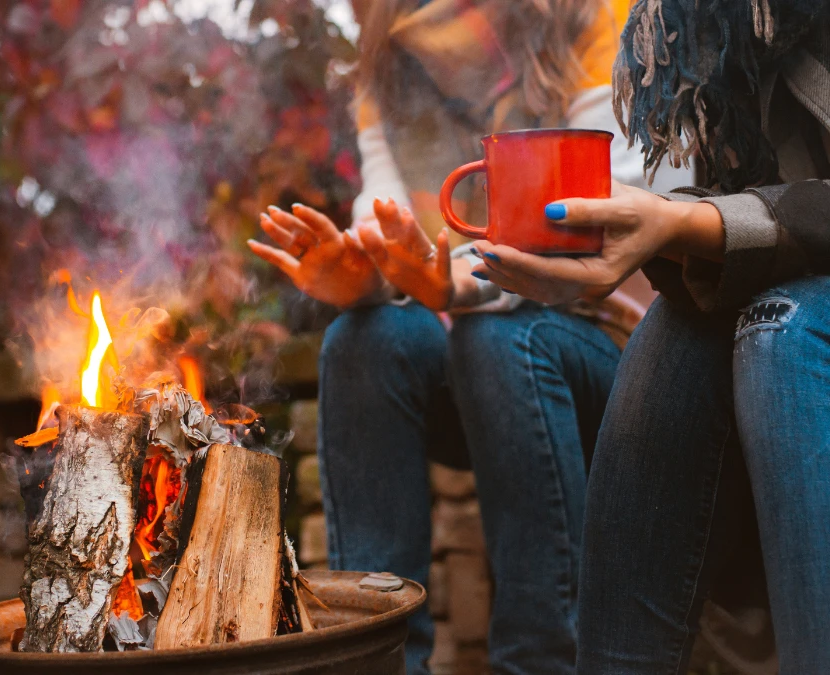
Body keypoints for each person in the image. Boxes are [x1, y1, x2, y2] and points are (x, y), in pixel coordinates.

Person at [249, 1, 688, 673]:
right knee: (363, 337)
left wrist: (457, 285)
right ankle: (375, 657)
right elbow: (393, 233)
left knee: (498, 337)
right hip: (481, 364)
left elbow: (615, 220)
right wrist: (362, 279)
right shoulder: (387, 61)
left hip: (622, 362)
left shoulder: (601, 21)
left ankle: (544, 661)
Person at [463, 0, 830, 671]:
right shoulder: (709, 25)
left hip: (780, 305)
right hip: (775, 265)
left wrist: (680, 225)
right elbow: (742, 196)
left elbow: (649, 198)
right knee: (677, 331)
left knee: (783, 329)